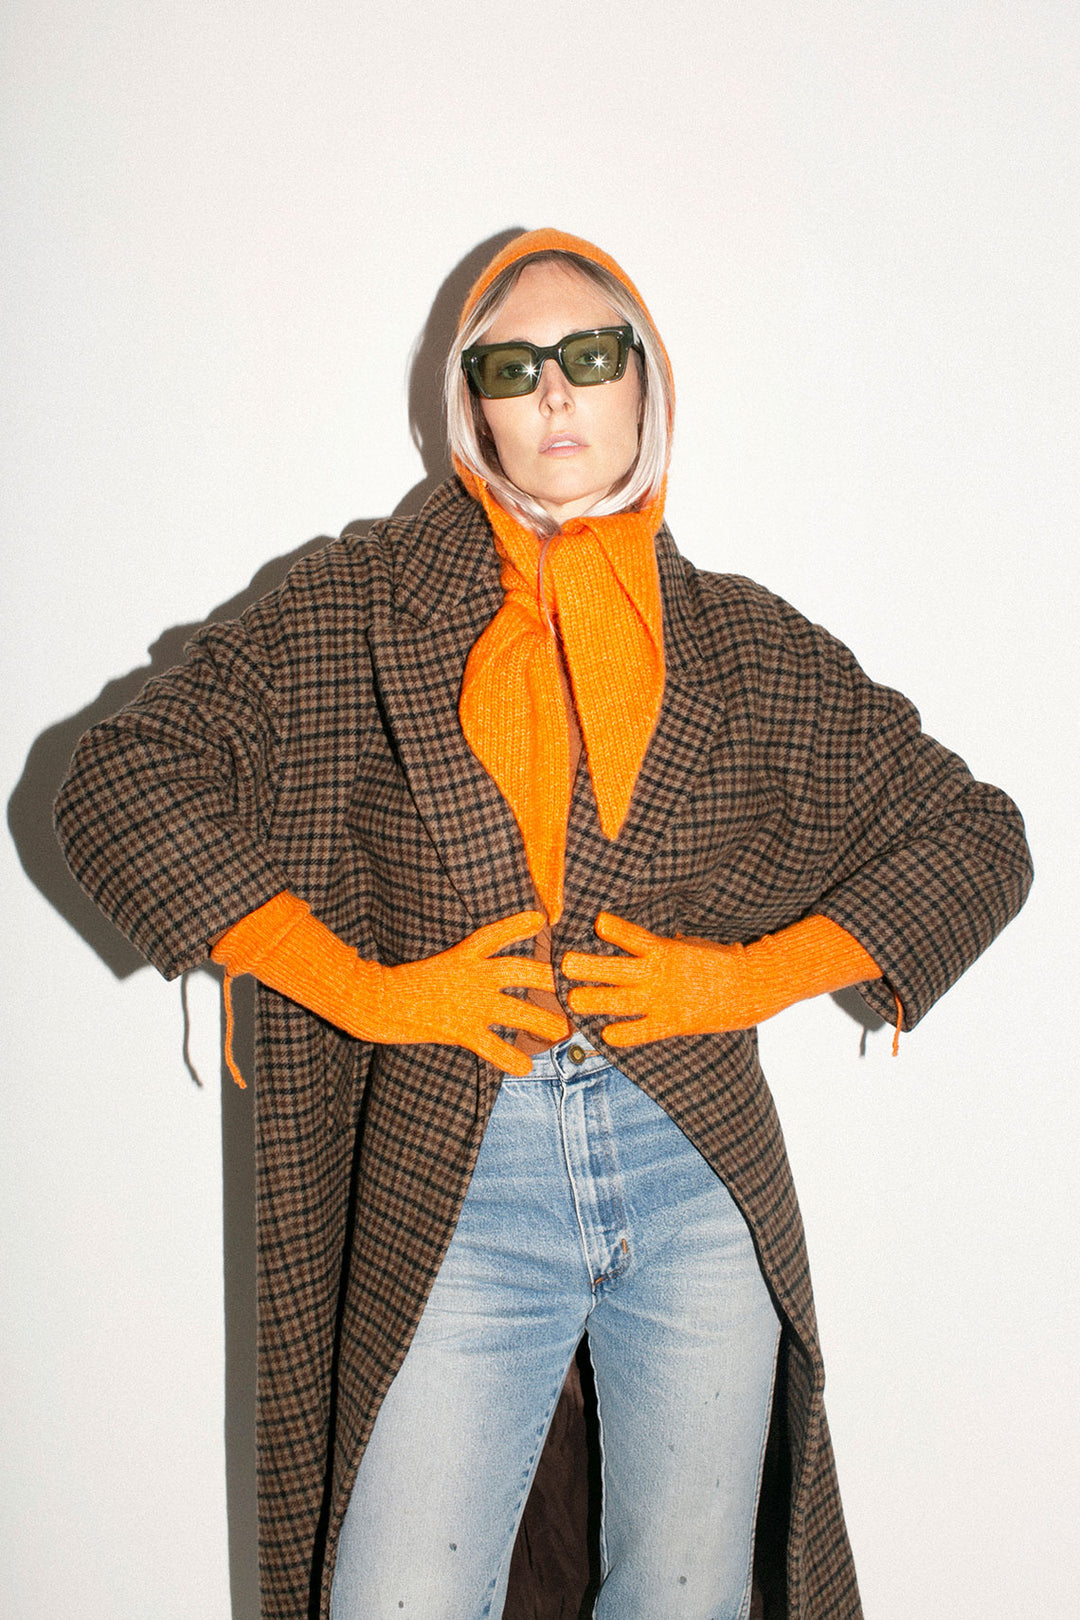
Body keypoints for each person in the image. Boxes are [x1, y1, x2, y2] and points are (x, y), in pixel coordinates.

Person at [54, 229, 1032, 1620]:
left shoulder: (740, 642)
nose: (557, 391)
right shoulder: (358, 602)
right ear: (474, 406)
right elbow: (122, 782)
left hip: (694, 1175)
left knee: (683, 1600)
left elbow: (977, 837)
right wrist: (369, 993)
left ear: (648, 384)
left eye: (590, 354)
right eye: (513, 366)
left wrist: (745, 980)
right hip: (460, 1172)